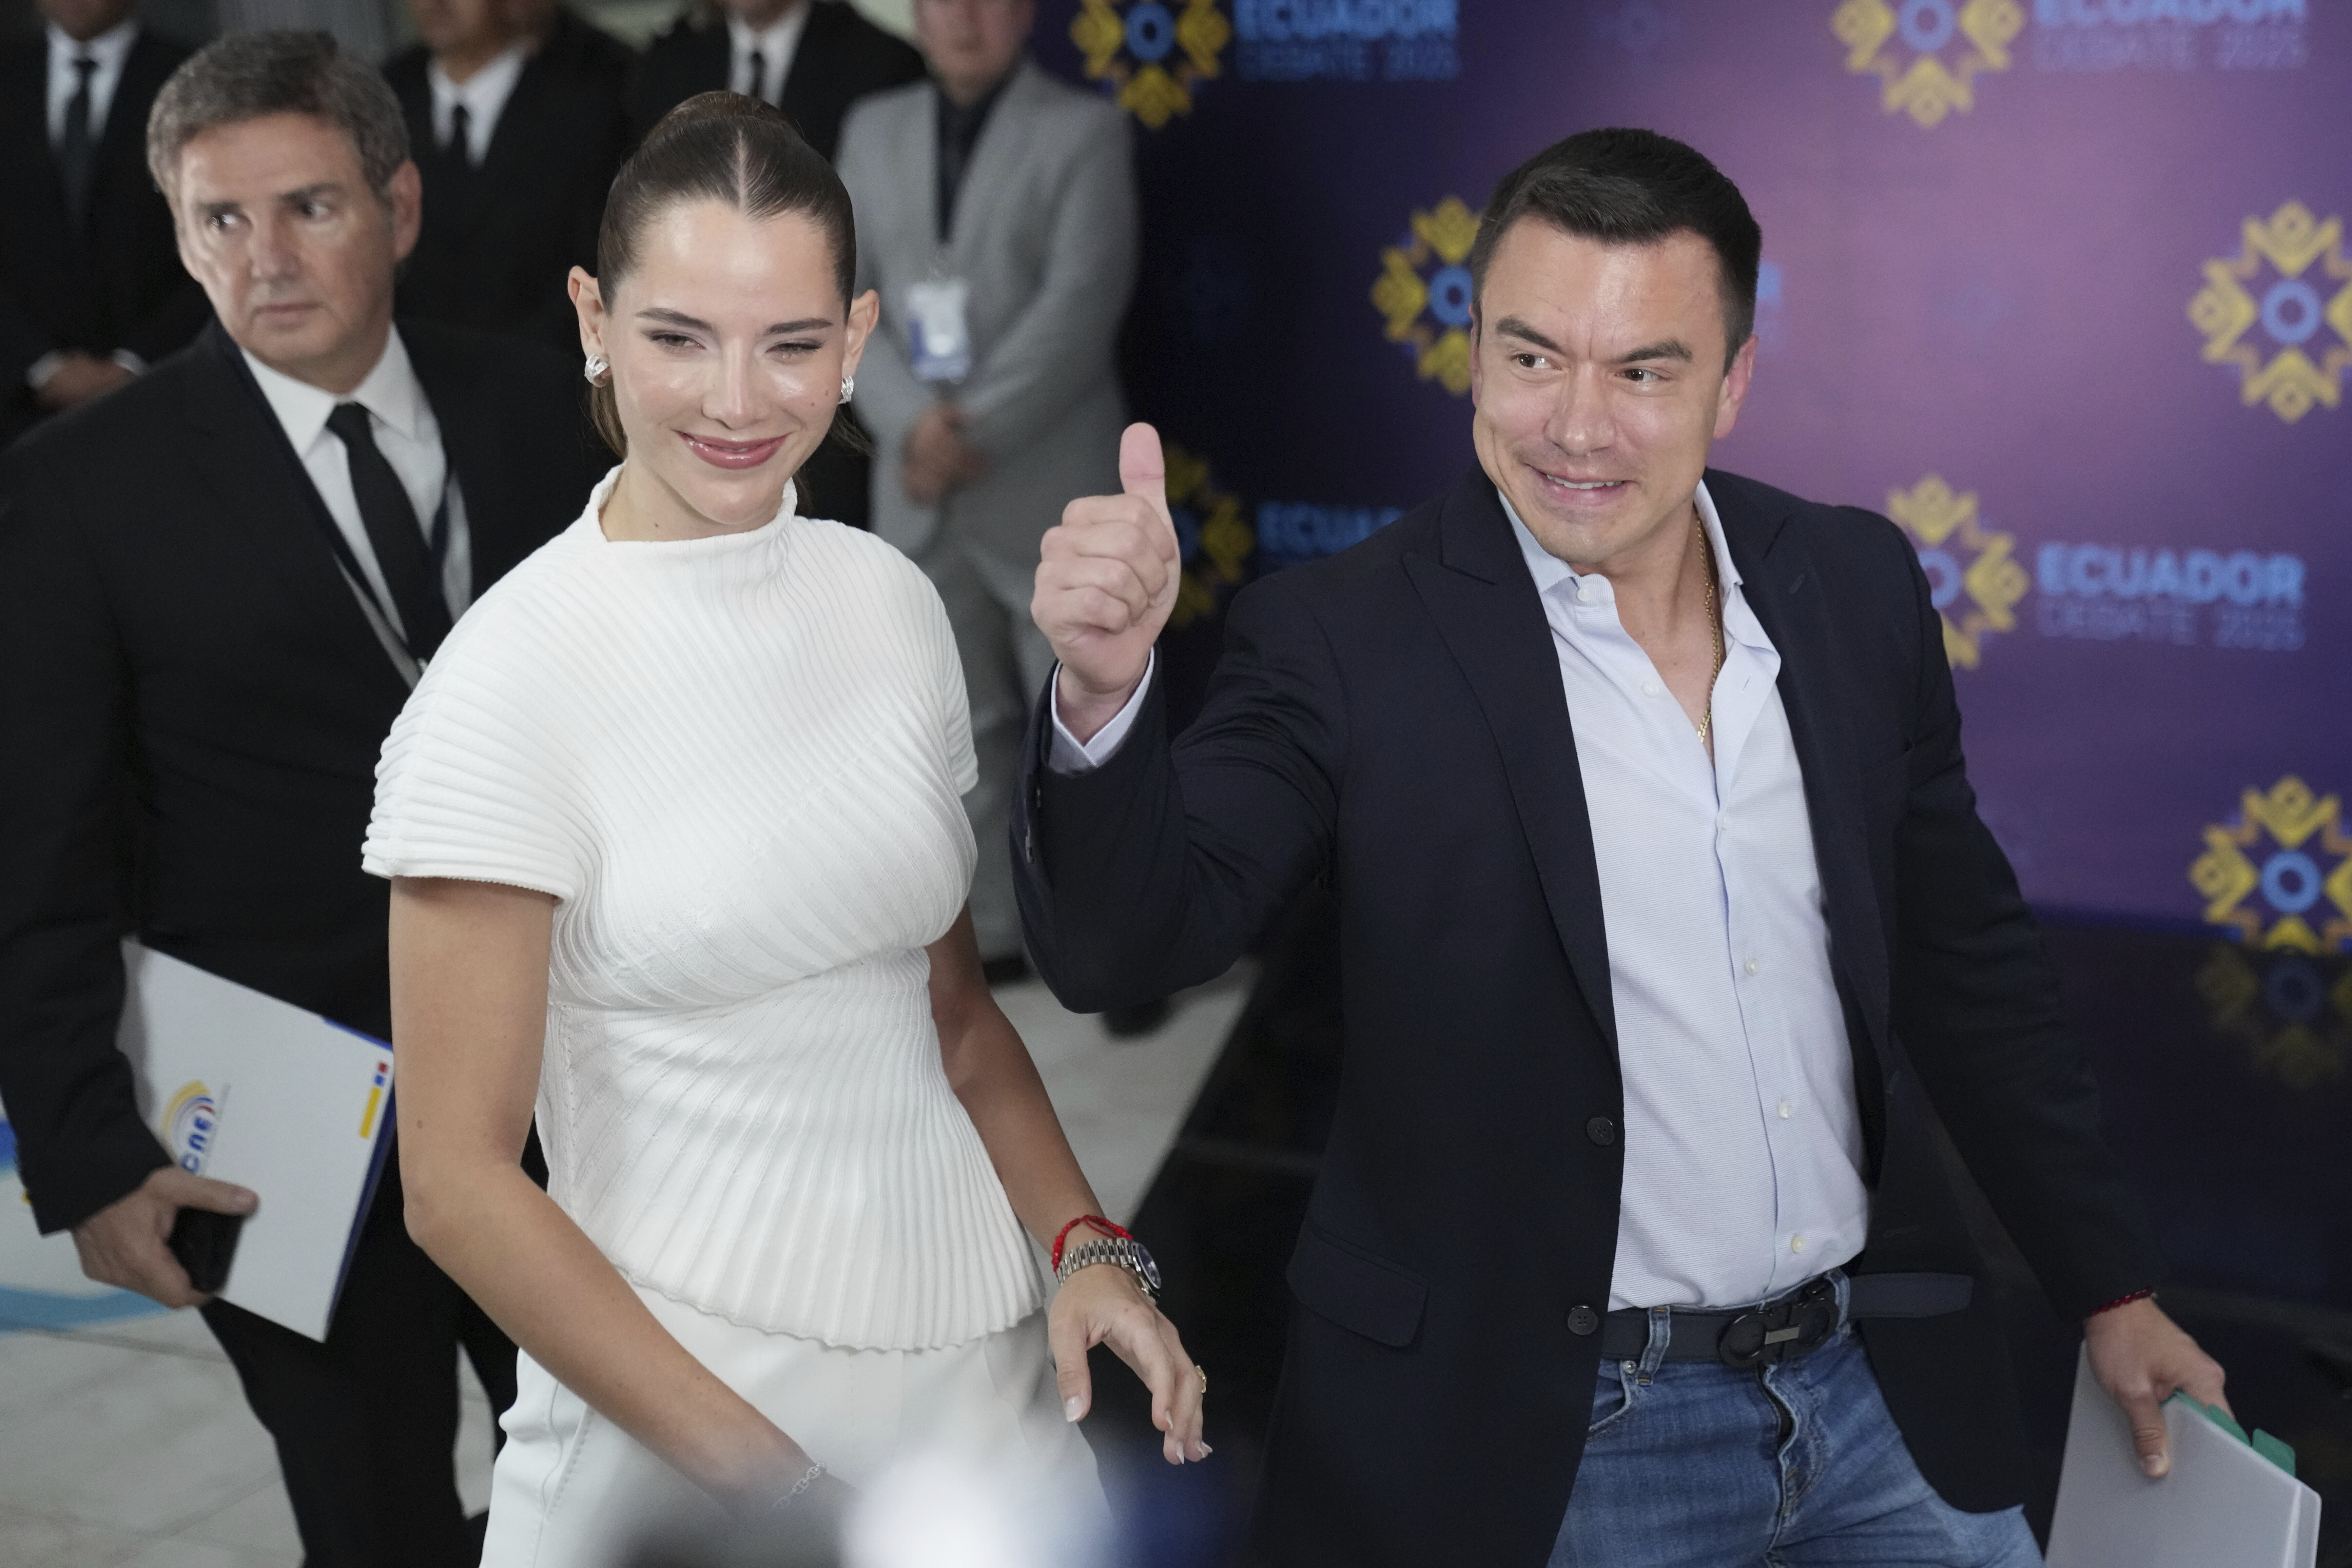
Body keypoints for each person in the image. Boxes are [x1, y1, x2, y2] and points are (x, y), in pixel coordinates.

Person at [1017, 129, 2229, 1567]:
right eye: (1532, 357)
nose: (1575, 427)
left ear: (1733, 380)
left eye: (1642, 370)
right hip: (1557, 1437)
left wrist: (2109, 1284)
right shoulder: (1344, 638)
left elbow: (1967, 971)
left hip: (1873, 1399)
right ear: (1471, 351)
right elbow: (1121, 942)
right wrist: (1100, 698)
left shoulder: (1849, 584)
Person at [362, 93, 1205, 1564]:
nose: (738, 400)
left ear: (859, 334)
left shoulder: (887, 598)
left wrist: (1087, 1246)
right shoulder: (504, 683)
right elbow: (457, 1186)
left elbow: (948, 1015)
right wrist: (787, 1497)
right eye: (678, 336)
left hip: (982, 1400)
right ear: (592, 319)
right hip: (688, 1438)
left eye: (793, 343)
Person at [0, 31, 602, 1566]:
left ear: (399, 206)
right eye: (219, 220)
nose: (264, 258)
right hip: (287, 1125)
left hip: (581, 1088)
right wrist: (85, 1154)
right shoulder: (78, 490)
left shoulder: (552, 415)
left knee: (619, 1491)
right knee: (374, 1520)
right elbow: (38, 853)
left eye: (310, 208)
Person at [836, 0, 1136, 987]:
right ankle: (999, 935)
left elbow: (1081, 303)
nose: (963, 17)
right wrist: (908, 422)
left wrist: (970, 432)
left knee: (1090, 734)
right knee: (958, 724)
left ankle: (1117, 946)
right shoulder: (868, 127)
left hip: (1047, 474)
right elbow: (845, 296)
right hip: (919, 481)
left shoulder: (1085, 130)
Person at [629, 0, 925, 535]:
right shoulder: (667, 63)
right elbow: (629, 232)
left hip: (827, 426)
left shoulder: (883, 64)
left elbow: (886, 258)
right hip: (688, 412)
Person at [0, 0, 207, 440]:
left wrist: (134, 364)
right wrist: (40, 366)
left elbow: (226, 235)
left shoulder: (198, 79)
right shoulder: (9, 76)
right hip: (18, 415)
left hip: (171, 399)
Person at [385, 0, 631, 353]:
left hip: (551, 371)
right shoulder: (387, 96)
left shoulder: (592, 100)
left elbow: (598, 258)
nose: (435, 3)